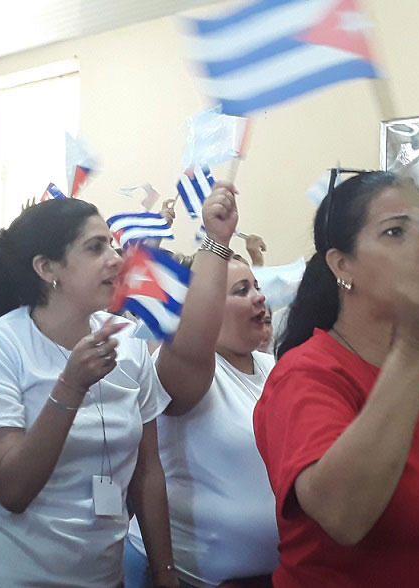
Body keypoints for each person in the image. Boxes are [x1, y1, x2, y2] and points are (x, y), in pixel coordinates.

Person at [254, 171, 419, 585]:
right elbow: (343, 515)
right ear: (343, 265)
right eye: (395, 232)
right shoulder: (306, 374)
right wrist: (416, 350)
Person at [0, 197, 179, 588]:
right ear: (47, 268)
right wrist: (70, 387)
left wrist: (165, 571)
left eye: (113, 245)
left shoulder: (129, 343)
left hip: (100, 579)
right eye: (95, 247)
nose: (116, 259)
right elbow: (12, 489)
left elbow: (147, 470)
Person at [125, 183, 280, 587]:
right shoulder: (189, 369)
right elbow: (192, 335)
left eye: (258, 286)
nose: (260, 298)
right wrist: (216, 241)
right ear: (206, 305)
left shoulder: (273, 367)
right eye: (242, 290)